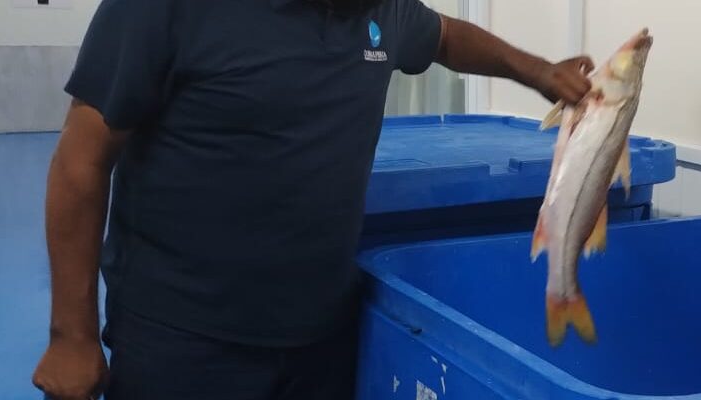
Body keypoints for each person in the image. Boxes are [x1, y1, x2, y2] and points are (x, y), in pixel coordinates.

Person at [30, 0, 593, 398]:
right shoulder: (167, 8)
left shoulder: (381, 9)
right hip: (183, 342)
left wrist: (540, 72)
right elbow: (81, 163)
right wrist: (71, 336)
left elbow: (445, 36)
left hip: (321, 335)